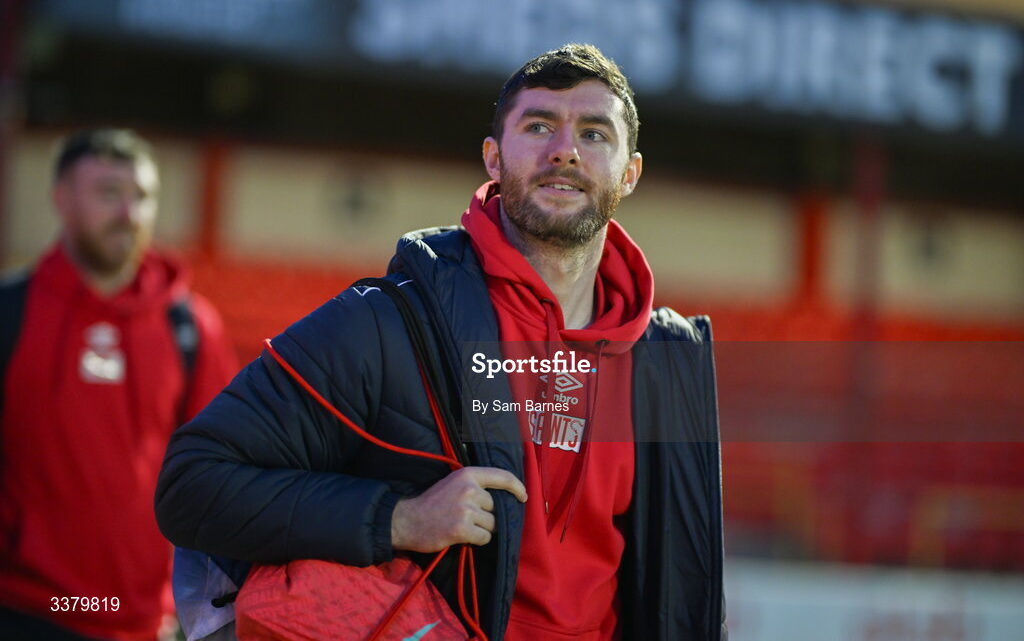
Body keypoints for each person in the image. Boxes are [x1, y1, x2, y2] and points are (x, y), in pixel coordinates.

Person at [156, 44, 725, 640]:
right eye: (538, 126)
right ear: (493, 157)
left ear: (629, 172)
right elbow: (192, 484)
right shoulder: (387, 322)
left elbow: (684, 584)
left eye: (594, 133)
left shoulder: (668, 361)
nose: (564, 149)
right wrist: (398, 519)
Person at [0, 129, 238, 640]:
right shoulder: (10, 313)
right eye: (108, 193)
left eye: (143, 196)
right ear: (62, 199)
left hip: (146, 622)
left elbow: (220, 475)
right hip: (24, 609)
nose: (130, 213)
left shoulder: (191, 328)